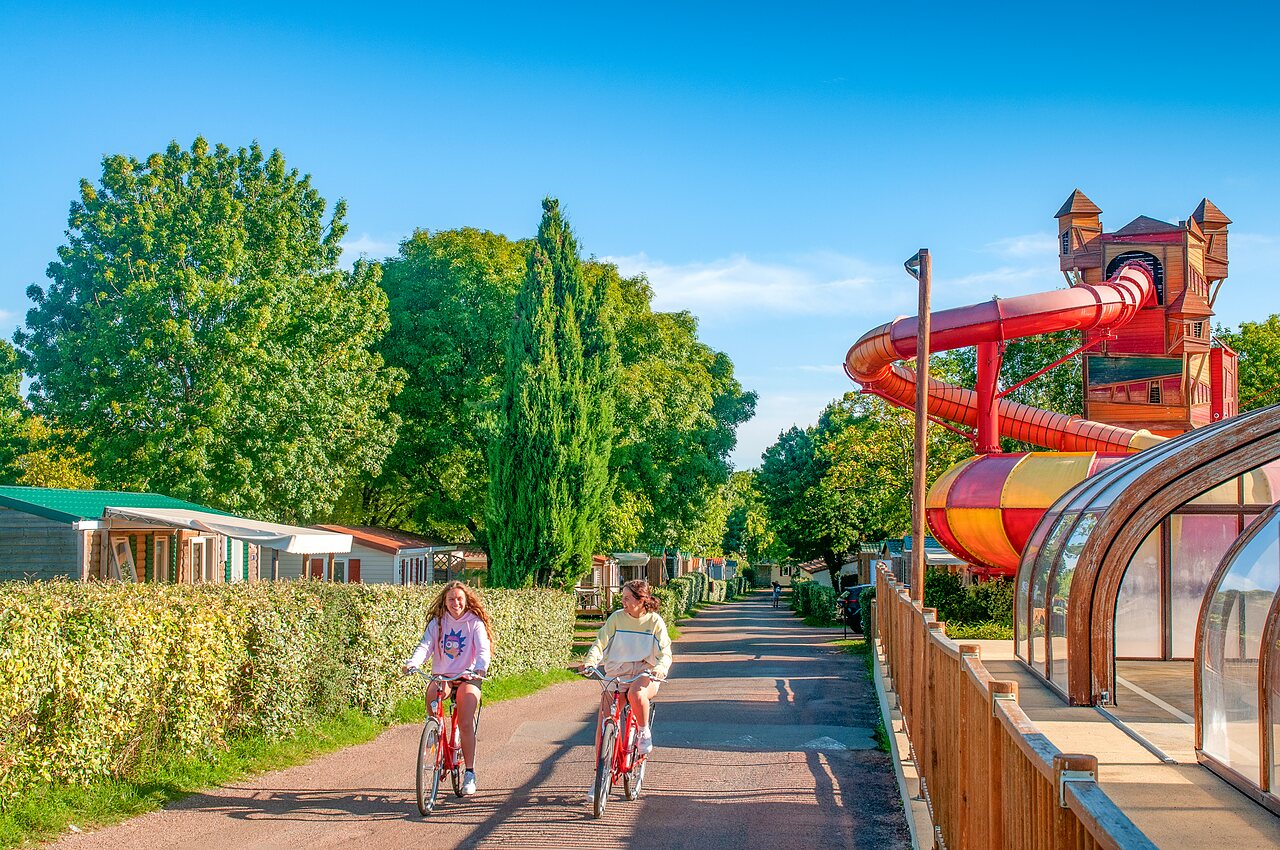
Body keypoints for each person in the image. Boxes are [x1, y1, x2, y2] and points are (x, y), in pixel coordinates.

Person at [581, 579, 672, 800]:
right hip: (618, 673)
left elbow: (665, 653)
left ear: (642, 601)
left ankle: (642, 732)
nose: (622, 602)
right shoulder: (616, 619)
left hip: (644, 673)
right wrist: (590, 661)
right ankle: (600, 776)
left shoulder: (655, 622)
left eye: (627, 598)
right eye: (622, 597)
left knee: (635, 694)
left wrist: (659, 669)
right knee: (605, 718)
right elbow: (600, 643)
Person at [402, 580, 494, 797]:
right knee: (432, 693)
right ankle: (434, 732)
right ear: (445, 601)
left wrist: (481, 668)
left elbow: (483, 650)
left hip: (468, 676)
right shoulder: (438, 623)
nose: (456, 603)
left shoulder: (474, 623)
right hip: (443, 675)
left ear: (466, 600)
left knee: (464, 720)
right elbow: (425, 646)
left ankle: (469, 772)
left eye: (460, 599)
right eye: (451, 599)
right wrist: (413, 663)